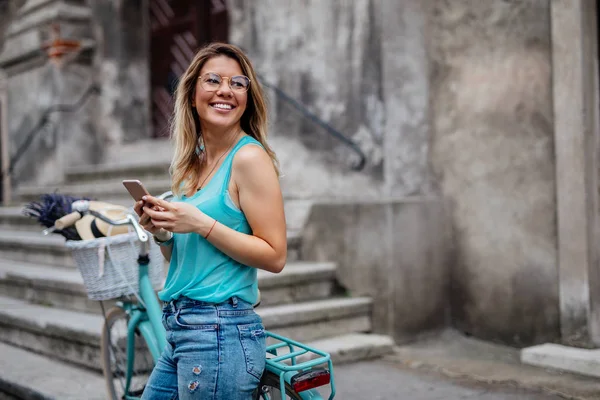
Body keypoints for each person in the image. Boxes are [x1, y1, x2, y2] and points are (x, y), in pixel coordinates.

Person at [135, 42, 287, 399]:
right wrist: (162, 234)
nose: (225, 90)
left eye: (238, 83)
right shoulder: (192, 165)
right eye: (213, 80)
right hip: (183, 327)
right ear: (191, 95)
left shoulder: (249, 158)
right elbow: (184, 259)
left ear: (248, 97)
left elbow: (275, 255)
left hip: (219, 332)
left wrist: (201, 222)